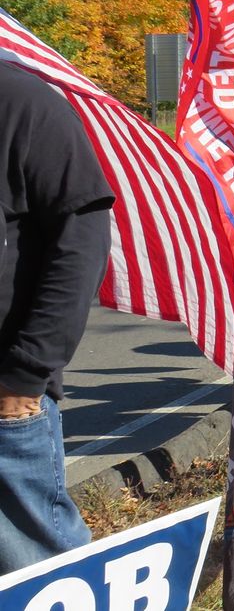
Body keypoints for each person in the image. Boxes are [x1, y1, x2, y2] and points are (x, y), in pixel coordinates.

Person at [1, 61, 114, 575]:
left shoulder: (24, 102)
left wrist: (25, 376)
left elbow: (81, 243)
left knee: (38, 573)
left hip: (5, 397)